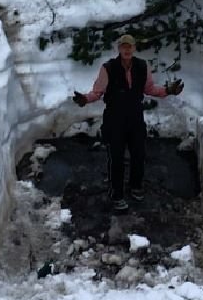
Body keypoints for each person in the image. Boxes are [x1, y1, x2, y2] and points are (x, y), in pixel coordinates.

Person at [73, 34, 184, 211]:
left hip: (135, 117)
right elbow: (98, 92)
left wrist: (168, 90)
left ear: (134, 48)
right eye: (123, 46)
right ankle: (116, 194)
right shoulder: (108, 68)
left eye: (130, 46)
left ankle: (136, 186)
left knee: (138, 154)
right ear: (119, 48)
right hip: (114, 118)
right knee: (116, 158)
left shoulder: (142, 66)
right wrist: (85, 99)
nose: (127, 50)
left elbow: (149, 89)